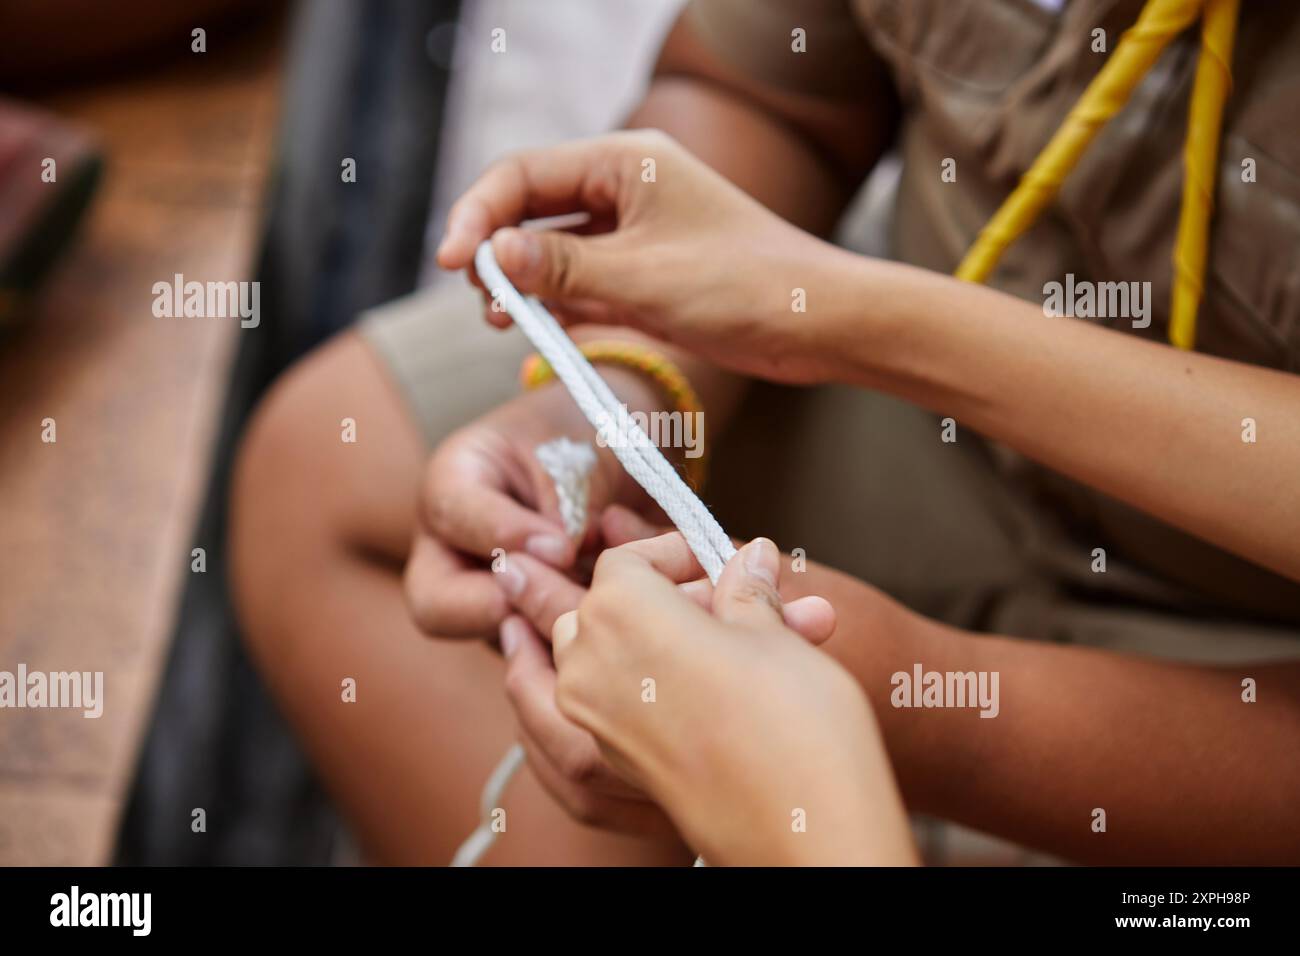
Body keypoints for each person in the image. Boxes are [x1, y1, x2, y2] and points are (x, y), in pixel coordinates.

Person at [231, 0, 1300, 865]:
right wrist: (623, 396)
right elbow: (768, 86)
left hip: (1248, 644)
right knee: (334, 455)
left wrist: (926, 716)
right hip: (939, 431)